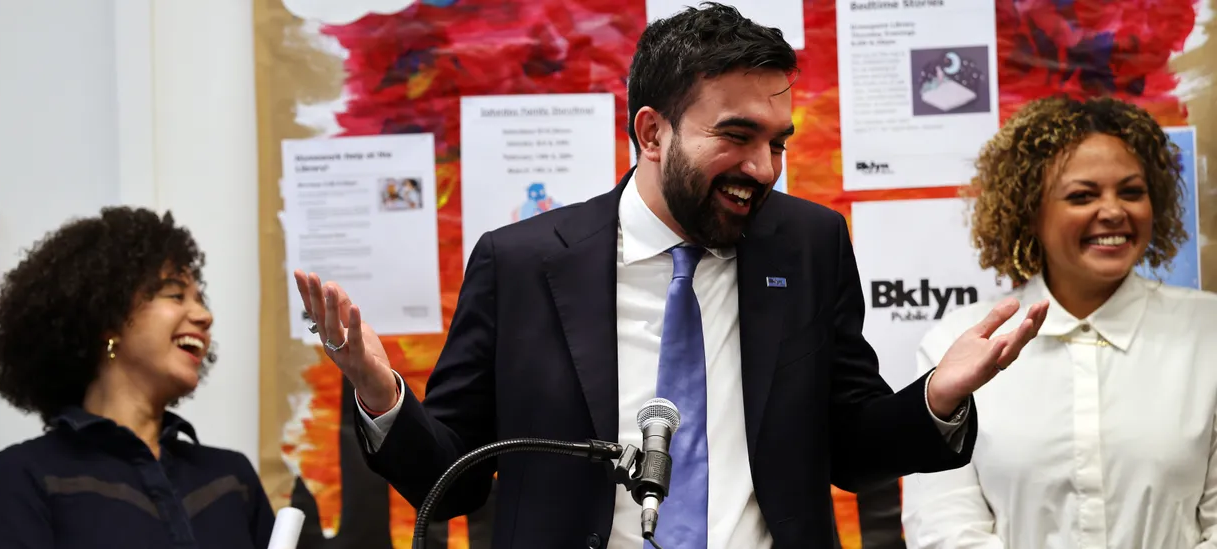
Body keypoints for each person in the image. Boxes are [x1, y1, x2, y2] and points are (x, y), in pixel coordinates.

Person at [296, 4, 1048, 547]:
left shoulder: (808, 244)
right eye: (737, 136)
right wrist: (380, 394)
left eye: (778, 142)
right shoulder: (521, 262)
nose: (764, 168)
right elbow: (456, 479)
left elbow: (851, 448)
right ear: (652, 132)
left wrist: (936, 398)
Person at [901, 95, 1217, 547]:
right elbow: (942, 526)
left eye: (1131, 192)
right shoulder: (958, 342)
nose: (1114, 211)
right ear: (1030, 211)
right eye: (1082, 196)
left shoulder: (1208, 330)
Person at [0, 207, 275, 549]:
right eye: (176, 295)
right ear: (109, 319)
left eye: (200, 300)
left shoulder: (232, 478)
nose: (205, 316)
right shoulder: (25, 476)